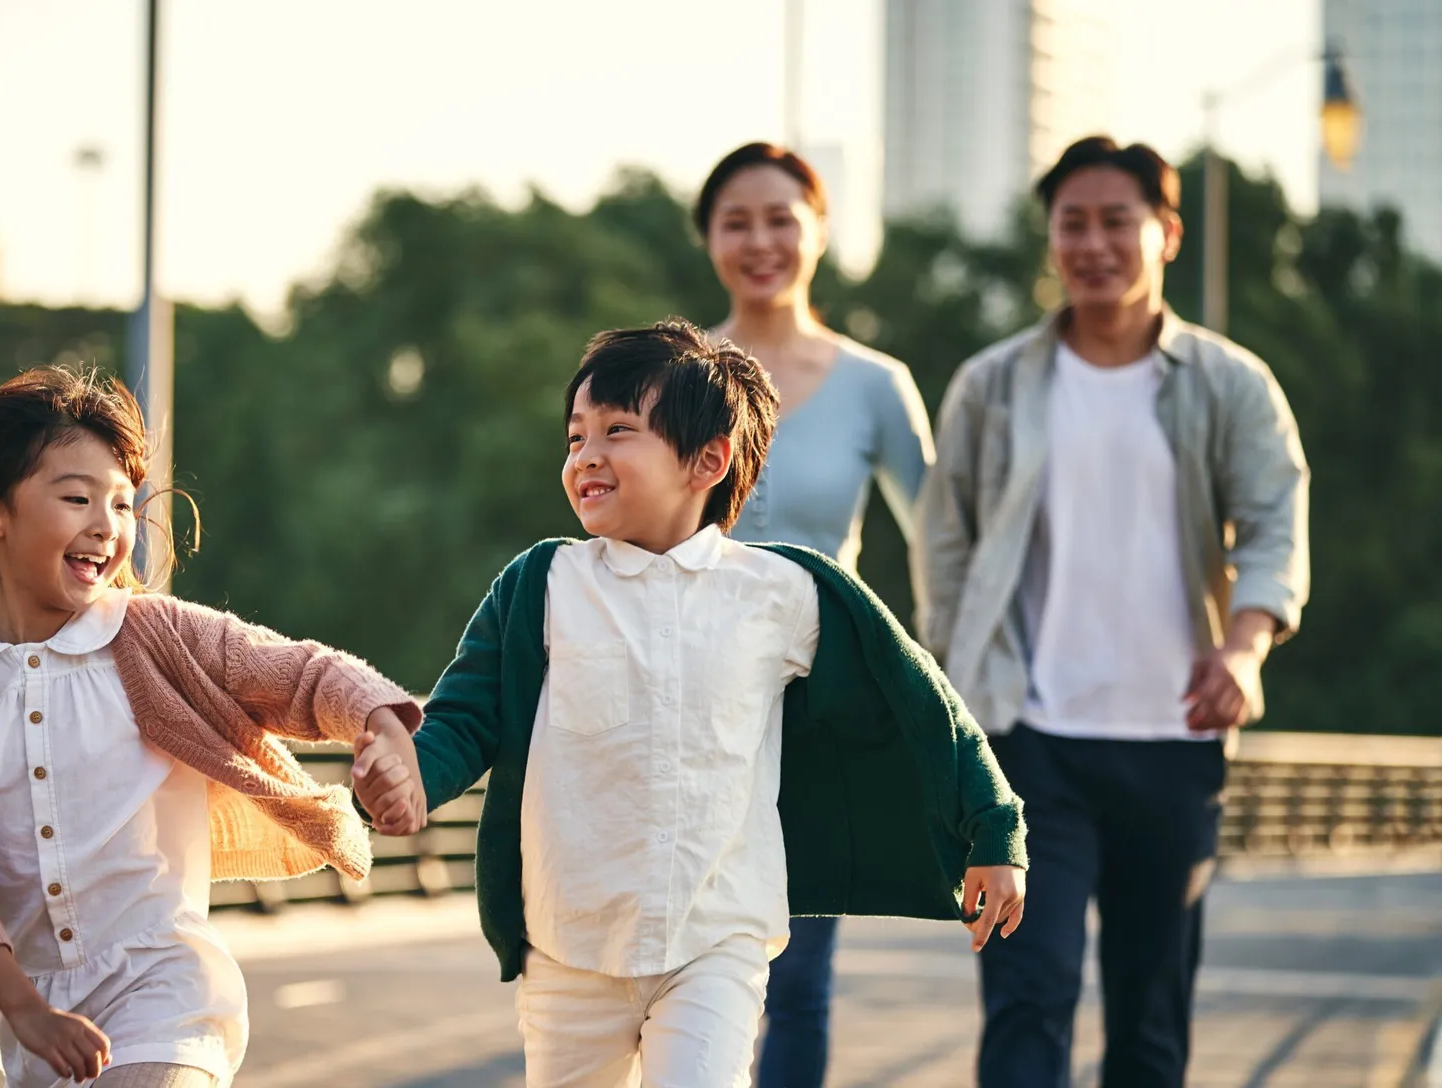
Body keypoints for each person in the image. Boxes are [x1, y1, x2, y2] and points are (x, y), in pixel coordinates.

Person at [353, 318, 1027, 1088]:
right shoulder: (541, 586)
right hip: (569, 946)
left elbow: (925, 706)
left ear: (708, 460)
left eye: (618, 431)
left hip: (717, 941)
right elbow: (466, 719)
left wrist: (993, 827)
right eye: (575, 438)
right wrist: (411, 775)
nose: (587, 456)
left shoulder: (783, 593)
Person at [0, 367, 422, 1088]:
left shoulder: (153, 636)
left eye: (121, 504)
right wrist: (22, 1010)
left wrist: (384, 730)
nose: (107, 527)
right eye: (77, 498)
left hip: (167, 991)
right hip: (37, 1012)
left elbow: (304, 673)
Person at [914, 137, 1310, 1087]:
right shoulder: (993, 385)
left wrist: (1247, 648)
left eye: (1116, 221)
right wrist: (957, 706)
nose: (1093, 244)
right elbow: (946, 551)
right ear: (1050, 239)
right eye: (1072, 224)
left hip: (1174, 745)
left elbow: (1272, 523)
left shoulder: (1230, 384)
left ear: (1165, 233)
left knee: (1149, 1019)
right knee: (1028, 992)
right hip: (1024, 742)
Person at [695, 141, 935, 1088]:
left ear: (820, 231)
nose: (761, 240)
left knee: (797, 980)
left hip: (816, 711)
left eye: (781, 218)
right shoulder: (675, 372)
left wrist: (927, 698)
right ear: (710, 239)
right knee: (674, 964)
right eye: (736, 221)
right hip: (681, 702)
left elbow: (946, 547)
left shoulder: (879, 384)